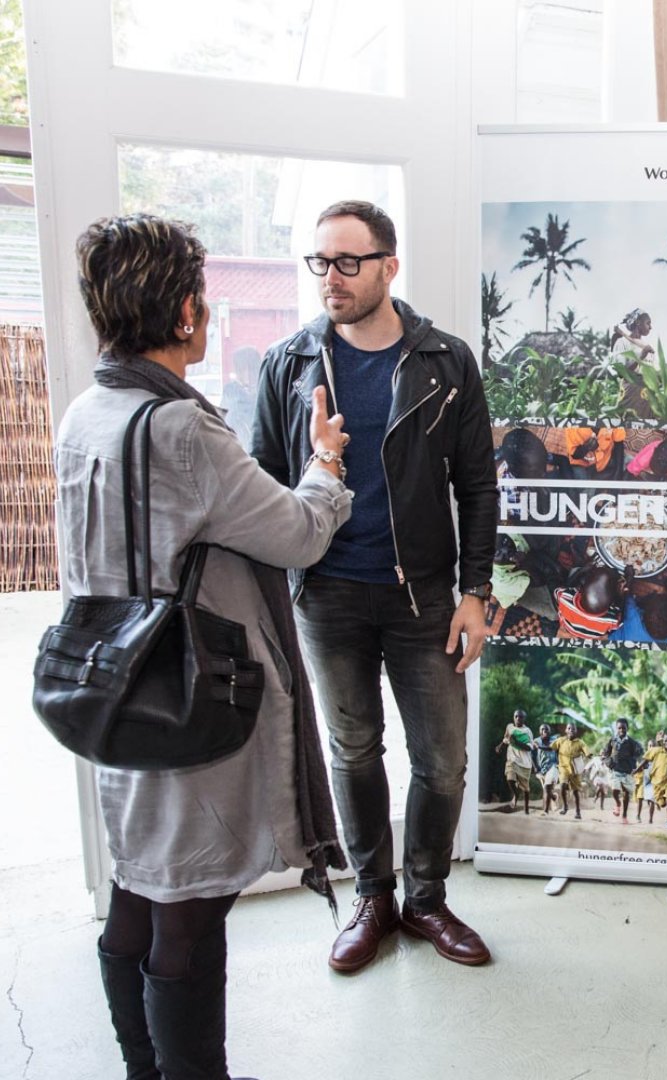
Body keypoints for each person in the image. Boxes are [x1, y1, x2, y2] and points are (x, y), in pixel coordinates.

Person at [58, 214, 352, 1079]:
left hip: (113, 680)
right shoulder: (182, 430)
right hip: (186, 692)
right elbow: (297, 534)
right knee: (189, 904)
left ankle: (145, 1072)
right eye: (204, 297)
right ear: (186, 312)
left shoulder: (89, 411)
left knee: (139, 885)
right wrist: (324, 465)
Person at [252, 200, 497, 972]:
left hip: (423, 595)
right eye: (320, 262)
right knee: (353, 750)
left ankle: (427, 899)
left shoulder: (446, 361)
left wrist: (474, 591)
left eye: (348, 262)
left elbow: (479, 489)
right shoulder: (288, 364)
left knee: (443, 759)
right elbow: (261, 485)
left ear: (390, 266)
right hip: (326, 594)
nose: (332, 278)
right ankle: (373, 897)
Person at [600, 718, 644, 824]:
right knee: (615, 789)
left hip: (627, 770)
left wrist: (637, 764)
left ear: (627, 728)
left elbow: (639, 753)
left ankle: (624, 815)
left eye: (623, 728)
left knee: (626, 793)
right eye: (619, 728)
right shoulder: (612, 740)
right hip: (615, 769)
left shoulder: (632, 742)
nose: (621, 730)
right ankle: (618, 803)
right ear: (616, 728)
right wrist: (605, 759)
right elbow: (606, 752)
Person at [495, 708, 534, 813]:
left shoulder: (527, 732)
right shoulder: (510, 727)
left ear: (524, 719)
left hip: (524, 762)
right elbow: (506, 738)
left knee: (526, 789)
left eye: (520, 717)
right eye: (516, 716)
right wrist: (500, 746)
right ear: (513, 717)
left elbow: (529, 748)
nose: (518, 719)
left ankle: (526, 810)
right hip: (512, 758)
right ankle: (516, 795)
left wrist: (516, 742)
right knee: (509, 778)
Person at [551, 721, 591, 819]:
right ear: (566, 730)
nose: (571, 730)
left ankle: (578, 811)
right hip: (563, 768)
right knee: (562, 786)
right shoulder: (560, 740)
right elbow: (551, 747)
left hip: (575, 771)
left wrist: (589, 754)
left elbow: (586, 751)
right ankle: (565, 806)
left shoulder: (580, 742)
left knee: (575, 792)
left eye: (573, 729)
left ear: (576, 731)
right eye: (569, 728)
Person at [532, 724, 561, 814]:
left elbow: (551, 748)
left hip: (554, 766)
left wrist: (539, 747)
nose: (544, 731)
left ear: (550, 731)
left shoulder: (554, 740)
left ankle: (546, 811)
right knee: (547, 788)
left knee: (547, 786)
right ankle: (554, 797)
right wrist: (535, 767)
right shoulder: (535, 741)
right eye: (542, 729)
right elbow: (532, 755)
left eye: (546, 729)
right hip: (542, 769)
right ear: (539, 731)